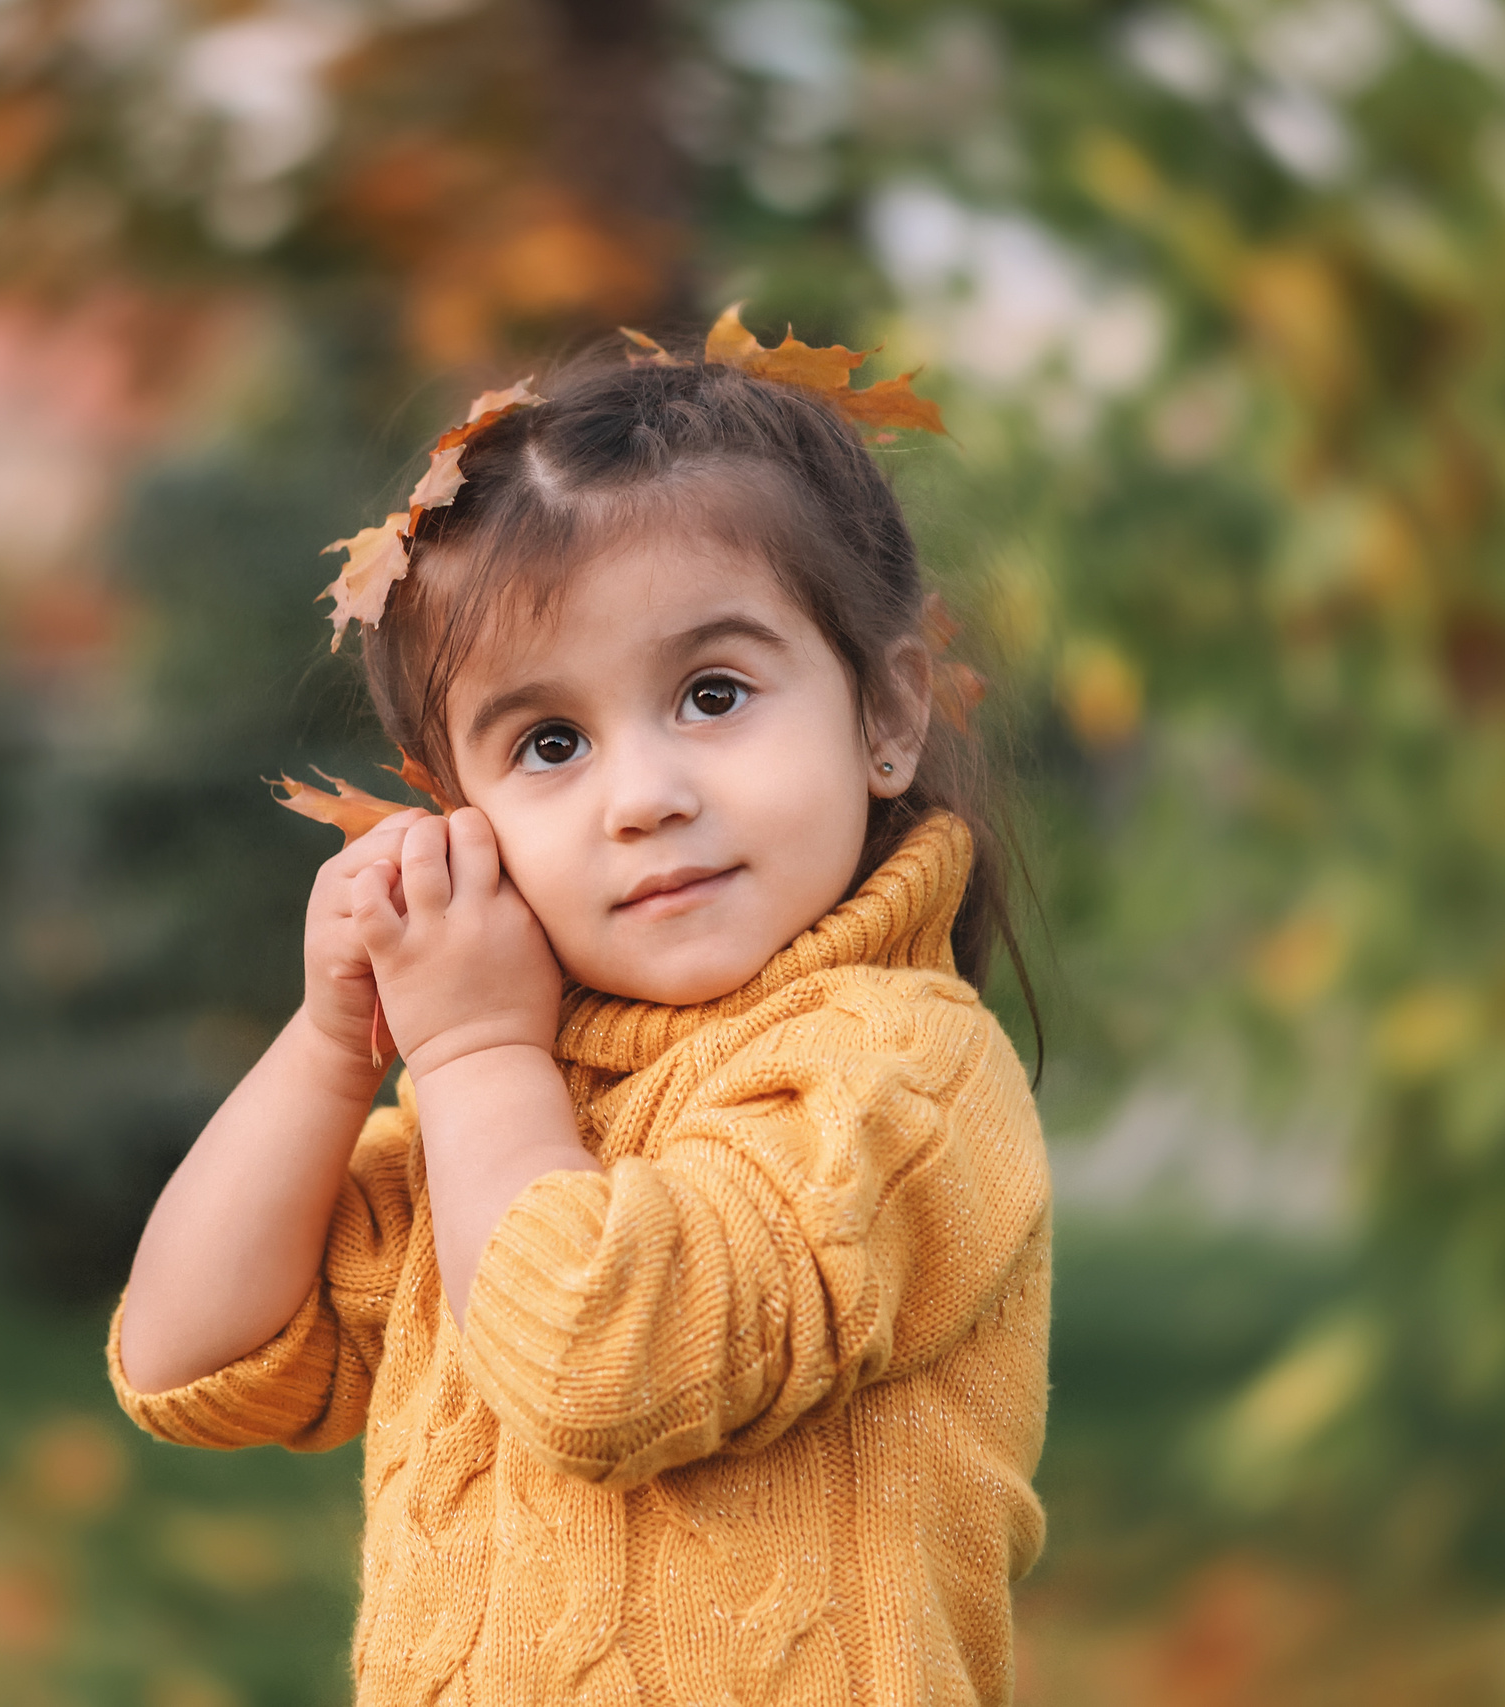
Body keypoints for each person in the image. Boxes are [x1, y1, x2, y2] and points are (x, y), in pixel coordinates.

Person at [110, 322, 1053, 1705]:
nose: (643, 795)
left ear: (886, 715)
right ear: (464, 814)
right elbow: (190, 1350)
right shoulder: (518, 1108)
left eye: (712, 693)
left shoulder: (899, 1073)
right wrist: (330, 1048)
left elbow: (600, 1361)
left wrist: (480, 1049)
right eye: (549, 744)